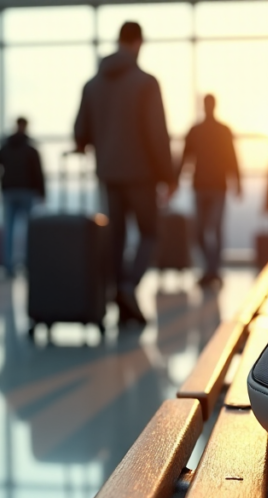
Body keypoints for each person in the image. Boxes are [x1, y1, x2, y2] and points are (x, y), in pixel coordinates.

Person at [75, 21, 175, 324]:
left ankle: (121, 297)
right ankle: (128, 287)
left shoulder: (92, 85)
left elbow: (80, 134)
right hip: (141, 175)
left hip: (108, 175)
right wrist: (168, 175)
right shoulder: (146, 83)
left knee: (116, 238)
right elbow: (157, 134)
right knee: (150, 233)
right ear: (138, 43)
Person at [178, 94, 241, 286]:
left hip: (214, 186)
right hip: (206, 186)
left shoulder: (208, 130)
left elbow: (231, 157)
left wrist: (237, 182)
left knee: (211, 229)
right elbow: (185, 157)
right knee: (203, 231)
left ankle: (212, 270)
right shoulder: (202, 131)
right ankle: (212, 269)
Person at [0, 117, 45, 276]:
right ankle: (29, 263)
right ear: (26, 126)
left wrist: (1, 176)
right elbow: (38, 173)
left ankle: (8, 266)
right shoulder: (30, 149)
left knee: (8, 229)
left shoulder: (6, 146)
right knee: (29, 230)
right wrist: (42, 193)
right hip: (27, 191)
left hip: (9, 191)